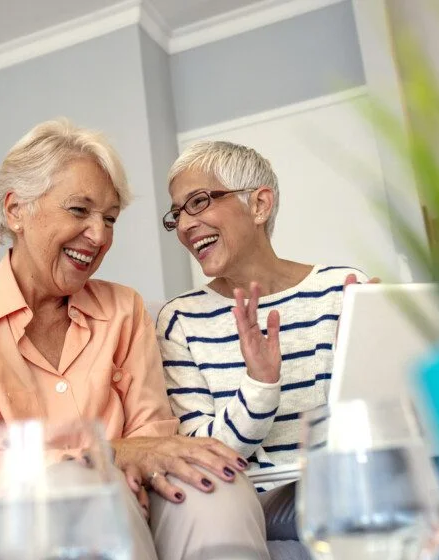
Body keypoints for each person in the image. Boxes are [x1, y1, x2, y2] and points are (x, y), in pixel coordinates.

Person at [0, 121, 272, 560]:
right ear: (16, 210)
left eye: (110, 219)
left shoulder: (124, 310)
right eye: (80, 210)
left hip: (123, 514)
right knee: (78, 493)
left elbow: (154, 442)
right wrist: (106, 454)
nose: (99, 236)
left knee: (212, 484)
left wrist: (139, 460)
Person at [156, 140, 370, 491]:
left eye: (198, 202)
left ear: (259, 204)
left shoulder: (342, 290)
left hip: (350, 485)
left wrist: (375, 356)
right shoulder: (180, 320)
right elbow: (200, 456)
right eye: (177, 213)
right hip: (258, 503)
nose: (183, 226)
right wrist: (260, 384)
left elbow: (376, 424)